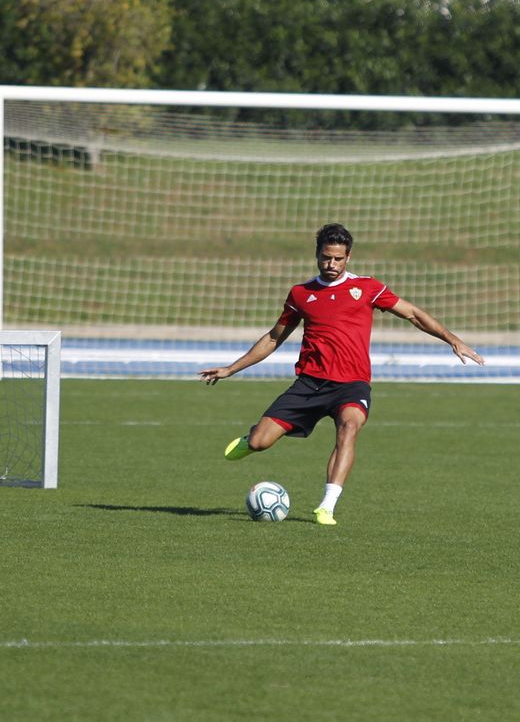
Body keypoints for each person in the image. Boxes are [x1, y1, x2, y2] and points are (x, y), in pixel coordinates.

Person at [200, 223, 484, 525]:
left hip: (352, 385)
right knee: (261, 442)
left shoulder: (368, 288)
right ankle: (252, 439)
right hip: (309, 384)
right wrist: (232, 368)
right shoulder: (301, 294)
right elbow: (273, 338)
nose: (331, 264)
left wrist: (453, 338)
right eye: (326, 258)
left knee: (349, 428)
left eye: (338, 259)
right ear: (317, 255)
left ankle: (327, 506)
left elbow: (414, 314)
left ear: (348, 258)